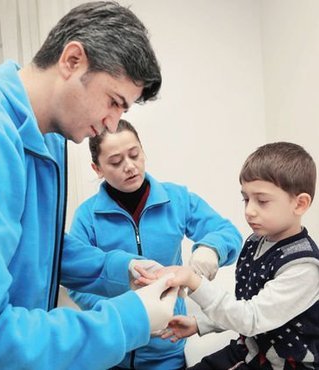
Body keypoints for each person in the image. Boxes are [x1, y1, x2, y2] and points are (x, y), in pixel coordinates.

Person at [0, 2, 179, 369]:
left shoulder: (47, 138)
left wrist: (120, 268)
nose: (111, 126)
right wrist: (129, 320)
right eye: (114, 102)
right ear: (73, 60)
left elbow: (34, 246)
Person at [68, 118, 242, 370]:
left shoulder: (177, 198)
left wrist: (211, 250)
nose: (130, 166)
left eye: (135, 155)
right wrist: (121, 315)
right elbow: (76, 280)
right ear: (97, 168)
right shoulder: (87, 216)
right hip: (112, 353)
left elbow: (227, 232)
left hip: (167, 351)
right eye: (116, 162)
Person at [146, 142, 319, 369]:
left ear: (300, 204)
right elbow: (246, 305)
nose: (249, 211)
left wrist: (193, 281)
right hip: (249, 348)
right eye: (246, 199)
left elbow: (252, 318)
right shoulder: (256, 241)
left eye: (262, 201)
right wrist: (201, 324)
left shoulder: (302, 267)